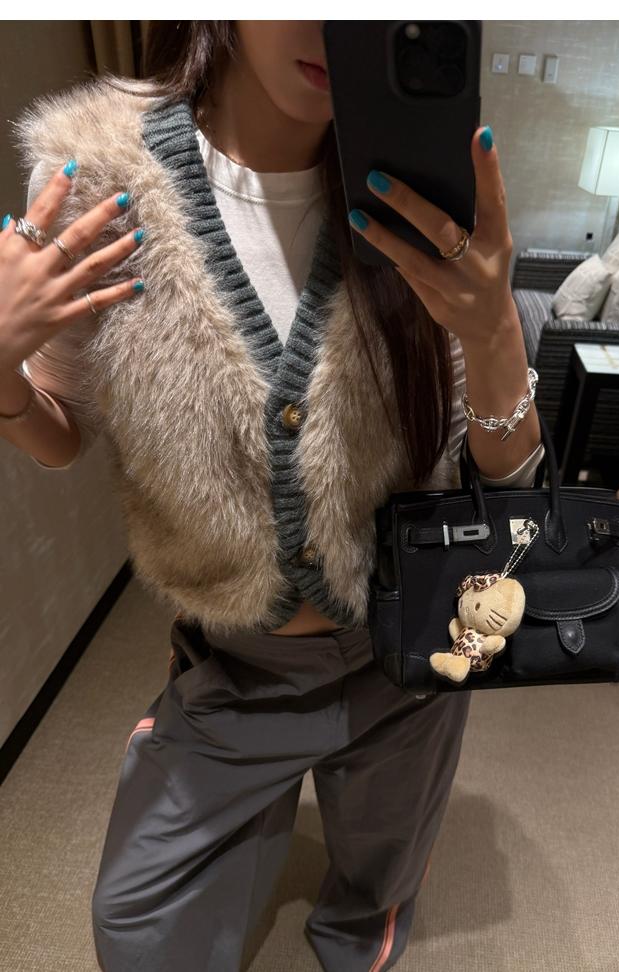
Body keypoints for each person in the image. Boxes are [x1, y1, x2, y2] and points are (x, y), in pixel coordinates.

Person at [0, 21, 544, 972]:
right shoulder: (96, 170)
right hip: (236, 667)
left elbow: (506, 485)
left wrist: (496, 334)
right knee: (140, 931)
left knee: (374, 893)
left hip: (409, 655)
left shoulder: (426, 182)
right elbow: (62, 430)